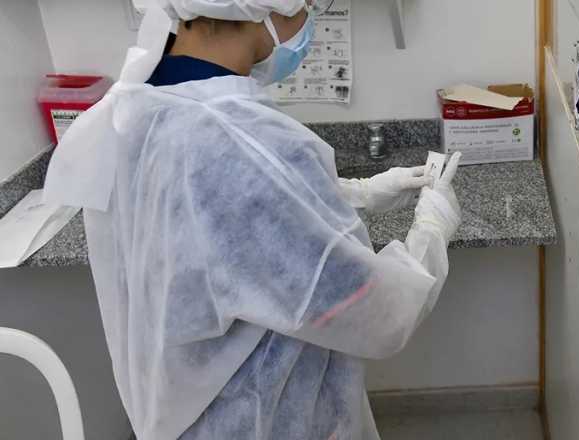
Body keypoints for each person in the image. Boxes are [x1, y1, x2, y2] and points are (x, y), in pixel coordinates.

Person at [43, 1, 462, 439]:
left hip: (182, 408)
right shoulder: (244, 138)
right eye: (310, 4)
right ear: (270, 7)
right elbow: (378, 312)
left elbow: (224, 215)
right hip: (262, 419)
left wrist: (359, 193)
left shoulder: (138, 107)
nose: (311, 19)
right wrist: (432, 229)